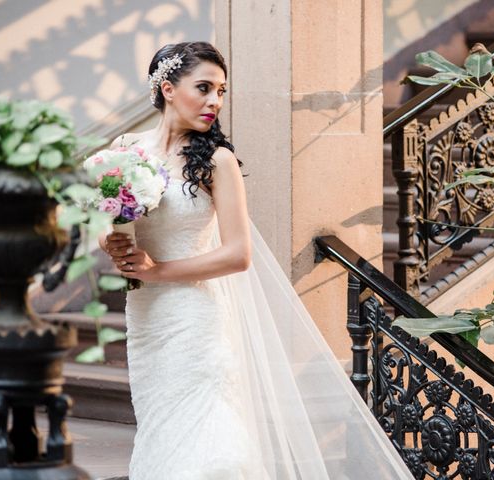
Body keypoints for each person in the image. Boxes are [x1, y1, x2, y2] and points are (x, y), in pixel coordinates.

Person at [100, 41, 413, 479]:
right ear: (167, 89)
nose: (215, 101)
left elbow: (238, 254)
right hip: (148, 319)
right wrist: (110, 242)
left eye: (222, 91)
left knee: (215, 449)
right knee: (163, 432)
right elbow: (106, 220)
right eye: (204, 88)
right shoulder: (126, 152)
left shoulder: (216, 160)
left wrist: (157, 271)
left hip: (195, 318)